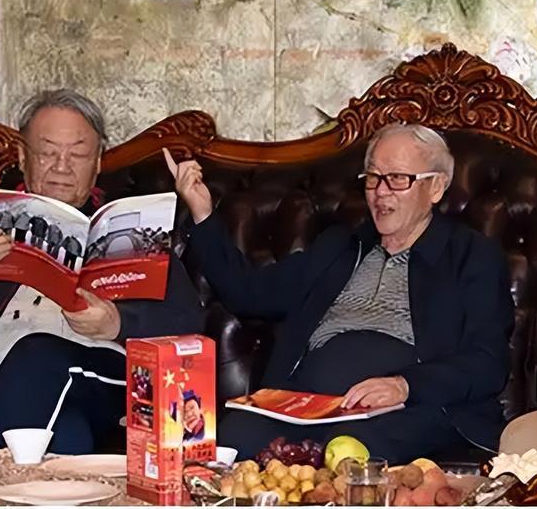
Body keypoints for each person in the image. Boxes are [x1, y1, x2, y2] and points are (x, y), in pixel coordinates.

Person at [164, 123, 515, 463]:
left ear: (436, 187)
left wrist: (406, 385)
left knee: (352, 451)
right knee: (230, 439)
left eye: (397, 179)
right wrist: (202, 212)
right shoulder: (340, 247)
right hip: (307, 406)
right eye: (373, 178)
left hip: (407, 411)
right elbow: (248, 293)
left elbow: (487, 362)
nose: (381, 192)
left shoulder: (472, 256)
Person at [0, 88, 205, 455]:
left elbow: (188, 321)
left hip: (100, 377)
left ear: (97, 163)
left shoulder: (132, 230)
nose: (62, 166)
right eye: (48, 152)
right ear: (23, 156)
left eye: (78, 154)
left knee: (38, 354)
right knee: (68, 437)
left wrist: (118, 324)